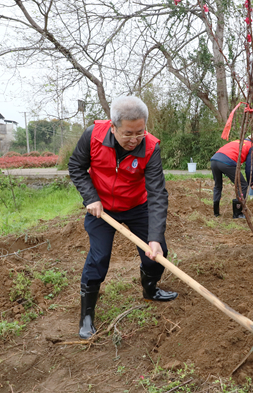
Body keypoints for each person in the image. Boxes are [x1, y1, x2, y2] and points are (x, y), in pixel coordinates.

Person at [68, 96, 178, 340]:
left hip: (138, 206)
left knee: (157, 254)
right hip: (102, 208)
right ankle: (86, 316)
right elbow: (76, 167)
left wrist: (155, 237)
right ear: (113, 126)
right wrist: (90, 198)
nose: (134, 139)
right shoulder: (92, 136)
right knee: (99, 258)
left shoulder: (150, 147)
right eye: (128, 133)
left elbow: (157, 193)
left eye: (140, 132)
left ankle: (150, 290)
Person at [210, 139, 253, 218]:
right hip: (226, 162)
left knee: (218, 186)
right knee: (243, 185)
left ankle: (216, 212)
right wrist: (251, 183)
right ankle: (237, 213)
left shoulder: (239, 141)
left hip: (214, 160)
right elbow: (249, 167)